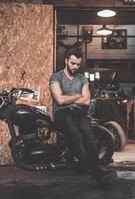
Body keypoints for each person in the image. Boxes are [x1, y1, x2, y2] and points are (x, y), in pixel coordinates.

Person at [49, 48, 116, 184]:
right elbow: (60, 100)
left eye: (78, 64)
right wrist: (77, 96)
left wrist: (69, 98)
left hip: (79, 112)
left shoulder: (82, 78)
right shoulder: (56, 77)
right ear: (66, 61)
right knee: (76, 135)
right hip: (62, 113)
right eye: (73, 63)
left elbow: (86, 101)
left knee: (89, 135)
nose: (75, 67)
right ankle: (95, 171)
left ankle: (95, 167)